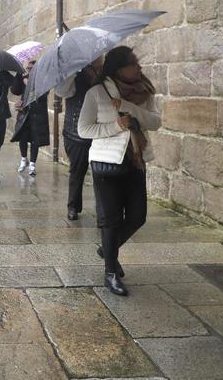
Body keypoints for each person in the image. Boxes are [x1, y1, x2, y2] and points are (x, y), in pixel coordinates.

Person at [77, 46, 160, 296]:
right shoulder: (96, 93)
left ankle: (107, 250)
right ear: (119, 68)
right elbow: (84, 130)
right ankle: (110, 272)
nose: (139, 68)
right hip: (106, 162)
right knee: (111, 219)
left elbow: (155, 122)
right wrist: (116, 126)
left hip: (135, 159)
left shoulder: (145, 92)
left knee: (138, 216)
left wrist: (128, 106)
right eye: (133, 63)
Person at [56, 57, 103, 221]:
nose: (99, 60)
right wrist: (74, 69)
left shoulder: (104, 77)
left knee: (101, 173)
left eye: (101, 58)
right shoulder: (75, 77)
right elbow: (61, 91)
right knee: (77, 172)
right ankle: (73, 206)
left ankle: (102, 211)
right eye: (97, 58)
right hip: (76, 134)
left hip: (99, 132)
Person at [11, 57, 49, 177]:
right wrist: (19, 74)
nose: (29, 70)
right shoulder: (22, 77)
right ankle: (23, 159)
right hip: (24, 113)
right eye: (27, 68)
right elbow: (15, 90)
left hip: (38, 114)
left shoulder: (42, 79)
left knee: (35, 139)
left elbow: (44, 95)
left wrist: (31, 85)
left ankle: (32, 163)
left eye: (31, 68)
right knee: (22, 137)